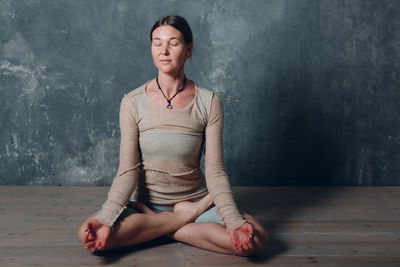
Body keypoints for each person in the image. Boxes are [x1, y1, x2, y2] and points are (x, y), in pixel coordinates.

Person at [78, 15, 268, 257]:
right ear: (151, 48)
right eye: (157, 43)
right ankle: (173, 220)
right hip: (143, 205)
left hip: (195, 202)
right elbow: (127, 171)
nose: (164, 51)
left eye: (173, 43)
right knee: (89, 233)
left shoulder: (208, 102)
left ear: (189, 49)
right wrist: (106, 218)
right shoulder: (132, 102)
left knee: (257, 240)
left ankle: (161, 225)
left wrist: (232, 221)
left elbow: (216, 171)